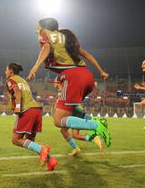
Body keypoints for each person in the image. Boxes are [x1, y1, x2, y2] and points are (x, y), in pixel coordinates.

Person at [27, 18, 110, 147]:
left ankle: (96, 124)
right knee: (73, 110)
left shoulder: (46, 34)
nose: (36, 29)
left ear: (43, 27)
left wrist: (35, 67)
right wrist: (101, 71)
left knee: (58, 120)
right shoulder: (66, 37)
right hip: (87, 76)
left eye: (37, 27)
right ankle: (91, 121)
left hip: (73, 77)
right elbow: (87, 55)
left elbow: (46, 47)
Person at [5, 62, 57, 171]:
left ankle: (43, 148)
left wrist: (18, 107)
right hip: (36, 109)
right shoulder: (22, 80)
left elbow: (17, 92)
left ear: (11, 71)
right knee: (30, 141)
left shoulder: (10, 80)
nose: (5, 72)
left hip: (27, 110)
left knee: (16, 140)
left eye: (6, 70)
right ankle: (50, 161)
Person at [50, 76, 103, 156]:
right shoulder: (64, 89)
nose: (55, 84)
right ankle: (91, 138)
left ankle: (92, 137)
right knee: (75, 135)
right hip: (75, 110)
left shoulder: (64, 90)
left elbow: (63, 102)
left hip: (73, 111)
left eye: (56, 83)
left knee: (64, 130)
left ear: (59, 82)